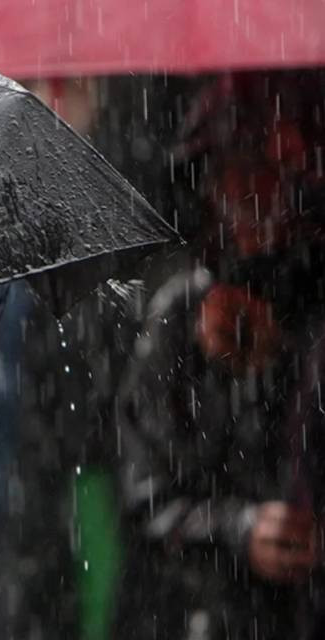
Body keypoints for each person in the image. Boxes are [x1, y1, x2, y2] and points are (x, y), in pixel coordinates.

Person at [116, 70, 325, 640]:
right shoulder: (180, 315)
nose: (251, 196)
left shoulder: (311, 319)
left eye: (277, 172)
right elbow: (148, 498)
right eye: (233, 172)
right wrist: (238, 530)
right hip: (216, 618)